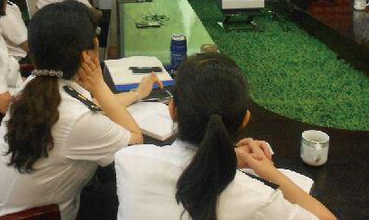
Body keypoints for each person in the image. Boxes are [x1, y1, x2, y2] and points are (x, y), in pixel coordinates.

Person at [0, 0, 159, 220]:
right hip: (35, 216)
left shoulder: (36, 85)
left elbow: (93, 106)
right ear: (86, 55)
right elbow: (135, 143)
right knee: (128, 194)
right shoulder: (75, 117)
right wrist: (99, 85)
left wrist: (136, 94)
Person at [115, 53, 337, 220]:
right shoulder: (258, 199)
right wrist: (272, 174)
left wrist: (226, 156)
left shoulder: (129, 160)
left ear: (172, 109)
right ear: (245, 120)